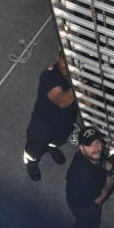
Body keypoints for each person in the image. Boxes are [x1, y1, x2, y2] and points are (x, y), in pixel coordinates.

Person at [23, 48, 77, 181]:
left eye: (71, 61)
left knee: (58, 140)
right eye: (64, 59)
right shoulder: (49, 75)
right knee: (34, 148)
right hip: (43, 123)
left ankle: (51, 148)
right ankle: (32, 164)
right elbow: (62, 101)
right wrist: (79, 85)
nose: (67, 65)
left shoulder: (76, 75)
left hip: (65, 122)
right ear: (58, 57)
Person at [66, 126, 114, 228]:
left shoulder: (86, 156)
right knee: (91, 225)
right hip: (83, 206)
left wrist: (109, 166)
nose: (96, 148)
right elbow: (100, 198)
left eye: (97, 142)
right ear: (81, 148)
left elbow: (101, 162)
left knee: (84, 222)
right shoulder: (85, 176)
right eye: (90, 145)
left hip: (77, 196)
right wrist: (110, 179)